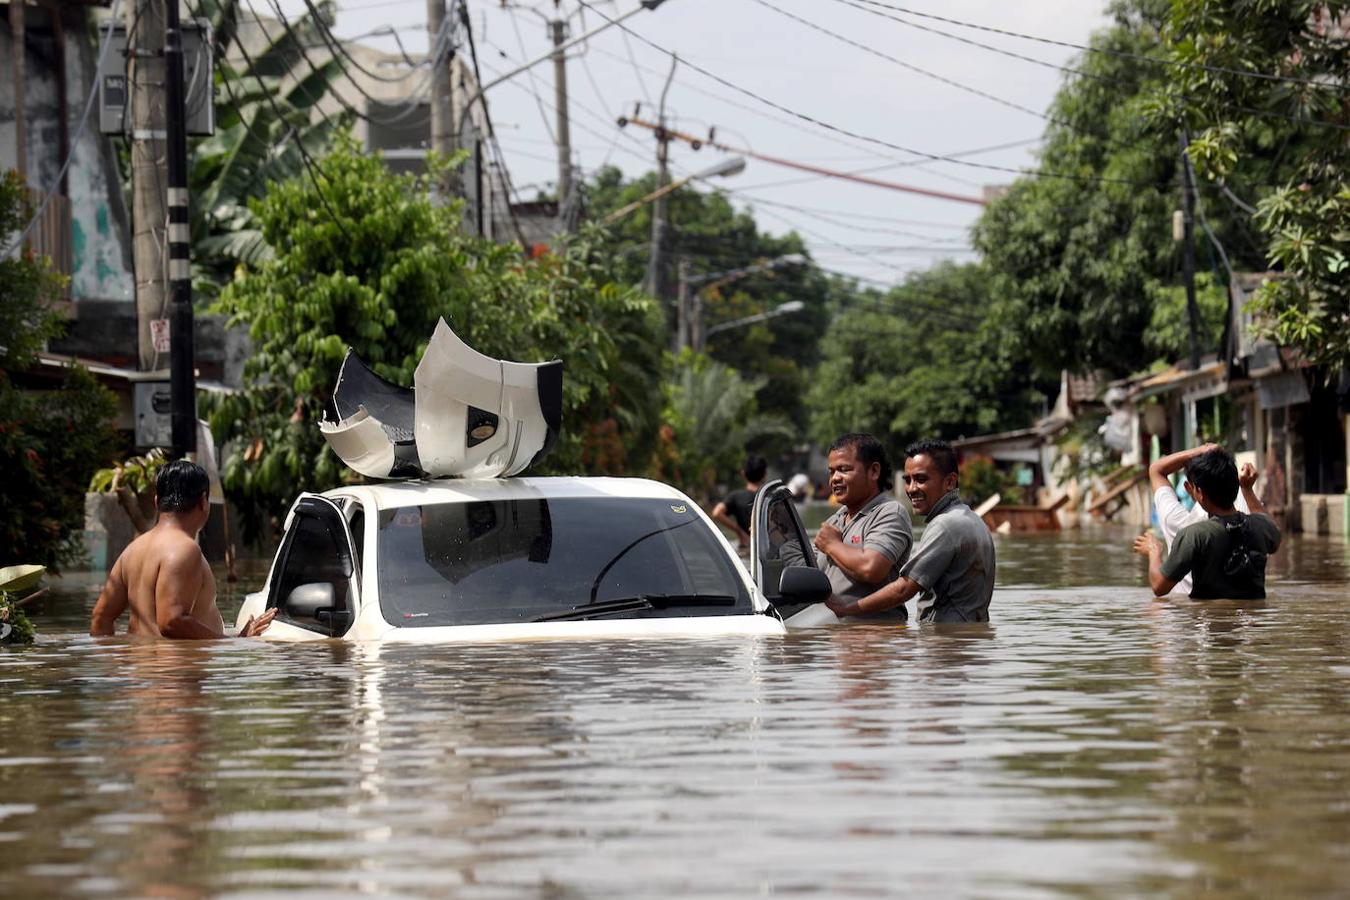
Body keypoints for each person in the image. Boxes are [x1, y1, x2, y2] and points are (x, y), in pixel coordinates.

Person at [90, 459, 275, 639]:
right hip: (176, 670)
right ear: (203, 502)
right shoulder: (185, 549)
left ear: (157, 502)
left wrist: (114, 664)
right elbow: (172, 621)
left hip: (143, 668)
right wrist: (234, 642)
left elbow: (101, 618)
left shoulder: (132, 551)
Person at [827, 439, 995, 623]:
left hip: (945, 641)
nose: (912, 489)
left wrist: (846, 609)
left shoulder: (946, 525)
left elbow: (903, 588)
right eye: (908, 480)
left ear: (949, 482)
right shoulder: (971, 518)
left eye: (921, 479)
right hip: (965, 637)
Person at [1134, 447, 1281, 599]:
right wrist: (1248, 490)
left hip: (1210, 619)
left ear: (1200, 493)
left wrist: (1154, 551)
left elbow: (1159, 586)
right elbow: (1270, 528)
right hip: (1253, 619)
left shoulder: (1194, 535)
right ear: (1235, 484)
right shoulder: (1260, 527)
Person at [812, 433, 913, 619]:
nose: (834, 478)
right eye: (831, 471)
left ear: (874, 471)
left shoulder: (889, 512)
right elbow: (808, 574)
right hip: (836, 637)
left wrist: (832, 545)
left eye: (843, 469)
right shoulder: (836, 519)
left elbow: (871, 568)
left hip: (876, 637)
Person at [712, 454, 767, 550]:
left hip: (746, 546)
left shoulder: (736, 497)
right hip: (768, 549)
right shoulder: (770, 497)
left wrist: (739, 531)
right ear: (765, 474)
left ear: (743, 473)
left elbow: (717, 513)